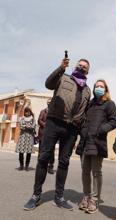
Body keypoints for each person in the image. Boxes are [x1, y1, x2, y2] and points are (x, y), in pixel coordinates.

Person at [24, 56, 91, 211]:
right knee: (43, 157)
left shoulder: (87, 90)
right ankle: (36, 195)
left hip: (72, 129)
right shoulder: (63, 78)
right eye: (80, 65)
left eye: (85, 67)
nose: (82, 68)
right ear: (75, 66)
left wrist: (81, 131)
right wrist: (61, 68)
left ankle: (59, 197)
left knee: (64, 162)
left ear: (88, 71)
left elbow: (85, 112)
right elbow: (48, 84)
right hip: (54, 122)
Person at [76, 79, 116, 214]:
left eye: (101, 86)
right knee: (84, 171)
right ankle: (86, 196)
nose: (98, 88)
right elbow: (83, 120)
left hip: (98, 142)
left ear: (106, 89)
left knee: (96, 172)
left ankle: (94, 199)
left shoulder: (109, 104)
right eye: (97, 86)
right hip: (85, 142)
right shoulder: (90, 104)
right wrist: (82, 131)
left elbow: (114, 121)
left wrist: (100, 130)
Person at [15, 107, 36, 171]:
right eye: (26, 111)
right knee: (21, 152)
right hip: (22, 137)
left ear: (30, 112)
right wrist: (26, 126)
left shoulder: (33, 119)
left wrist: (28, 127)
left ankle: (27, 166)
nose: (27, 113)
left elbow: (34, 126)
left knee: (28, 152)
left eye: (28, 111)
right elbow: (21, 126)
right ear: (24, 112)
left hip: (29, 137)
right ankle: (21, 165)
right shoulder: (22, 118)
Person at [37, 98, 55, 174]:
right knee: (41, 150)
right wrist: (46, 125)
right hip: (43, 134)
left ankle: (50, 166)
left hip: (52, 135)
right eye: (48, 102)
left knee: (51, 151)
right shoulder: (43, 111)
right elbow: (39, 120)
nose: (49, 103)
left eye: (50, 102)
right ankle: (40, 165)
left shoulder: (55, 112)